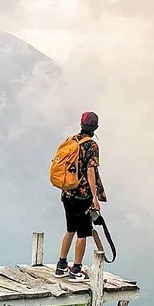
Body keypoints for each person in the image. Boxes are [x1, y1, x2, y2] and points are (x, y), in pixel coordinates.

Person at [55, 111, 107, 282]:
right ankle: (76, 270)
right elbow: (90, 171)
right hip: (82, 196)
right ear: (95, 127)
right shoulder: (91, 146)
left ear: (81, 124)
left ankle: (61, 265)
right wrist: (95, 198)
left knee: (70, 229)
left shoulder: (71, 140)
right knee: (83, 233)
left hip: (67, 193)